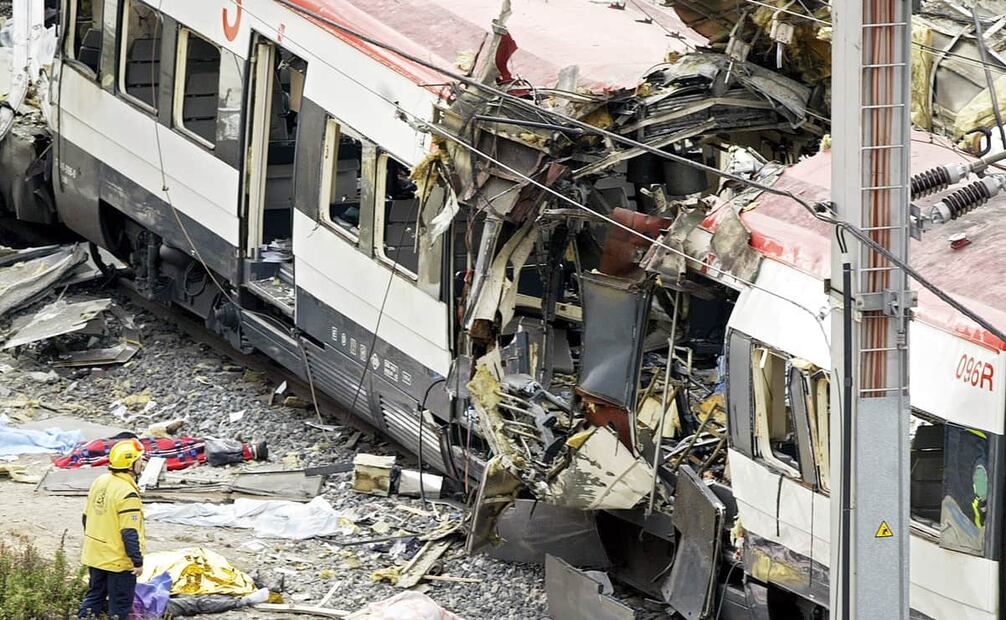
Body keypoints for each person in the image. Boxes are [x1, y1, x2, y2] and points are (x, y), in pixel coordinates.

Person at [78, 438, 146, 620]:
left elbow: (86, 517)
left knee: (94, 598)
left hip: (95, 555)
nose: (143, 462)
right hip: (118, 561)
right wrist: (137, 562)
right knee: (120, 606)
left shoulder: (100, 481)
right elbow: (129, 532)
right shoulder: (128, 493)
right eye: (140, 459)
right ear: (130, 464)